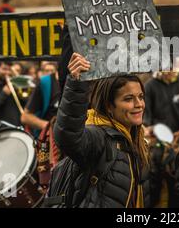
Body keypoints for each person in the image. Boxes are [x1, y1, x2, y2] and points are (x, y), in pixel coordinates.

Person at [54, 53, 151, 208]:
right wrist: (76, 83)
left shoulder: (137, 140)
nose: (139, 104)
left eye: (141, 96)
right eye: (128, 99)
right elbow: (67, 136)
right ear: (109, 106)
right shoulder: (98, 136)